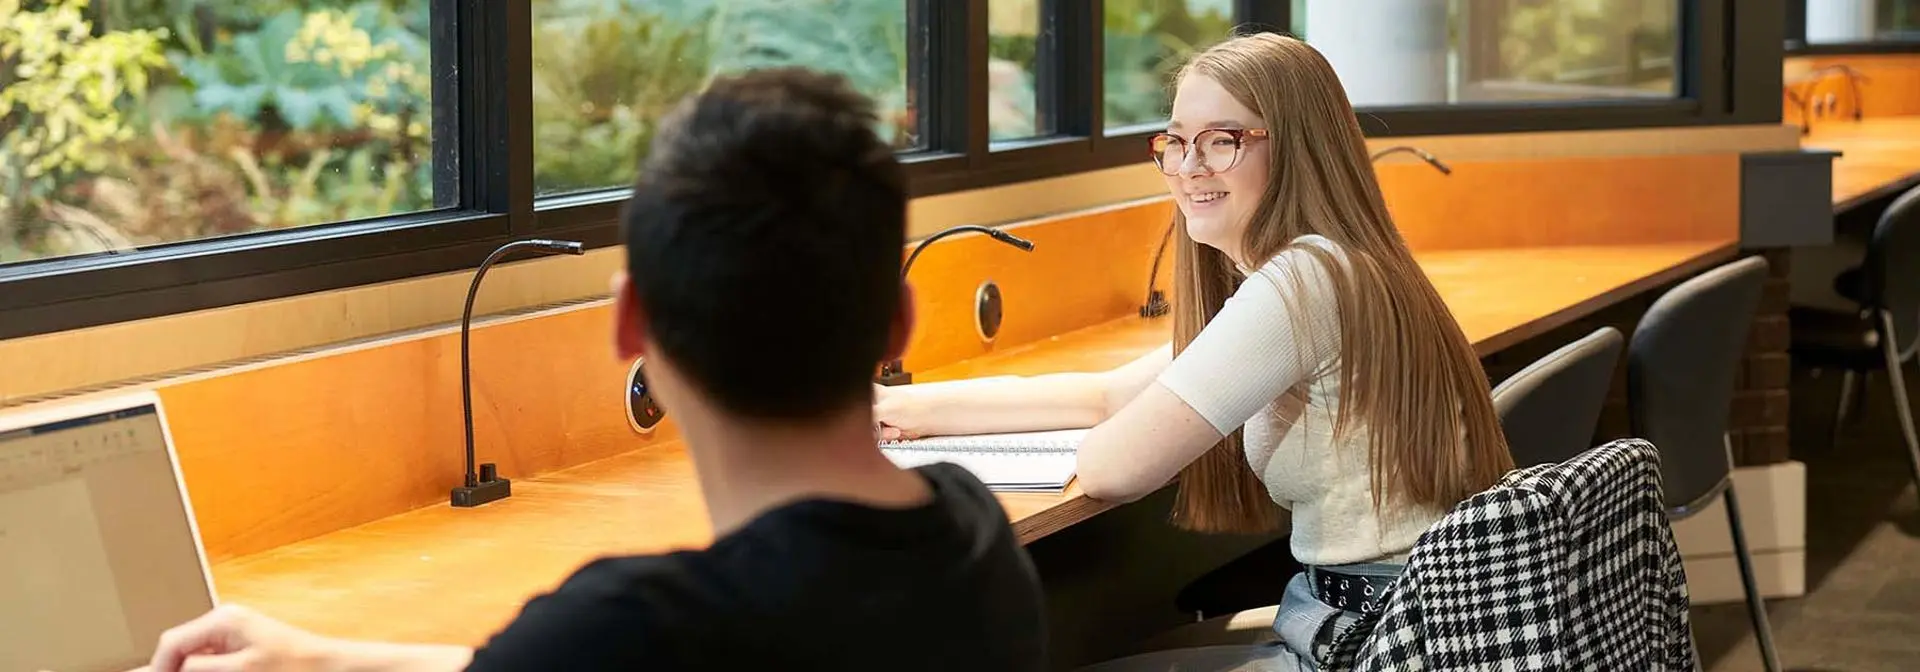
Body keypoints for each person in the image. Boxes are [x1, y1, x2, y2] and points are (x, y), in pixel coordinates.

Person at [136, 68, 1049, 672]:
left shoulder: (640, 624)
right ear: (899, 320)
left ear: (628, 324)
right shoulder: (969, 535)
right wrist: (321, 656)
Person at [875, 33, 1513, 671]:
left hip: (1375, 642)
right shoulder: (1339, 263)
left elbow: (1110, 470)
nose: (1189, 167)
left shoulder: (1302, 284)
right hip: (1404, 619)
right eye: (1176, 141)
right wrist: (897, 407)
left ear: (1297, 147)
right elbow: (1103, 395)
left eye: (1222, 140)